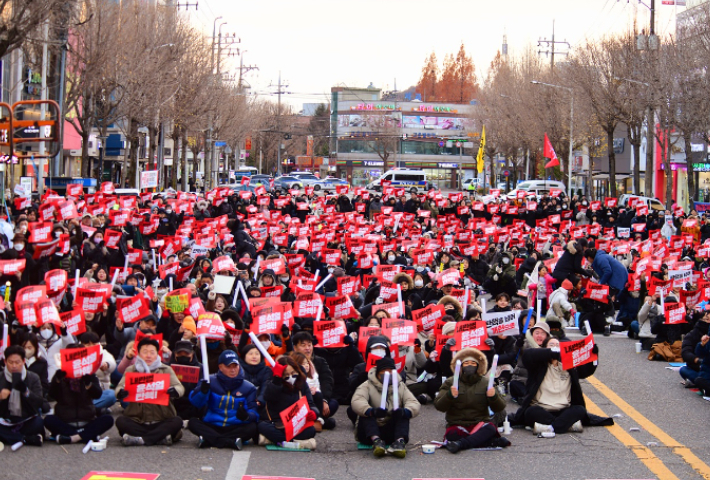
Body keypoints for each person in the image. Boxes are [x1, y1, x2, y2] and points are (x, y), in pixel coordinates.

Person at [513, 336, 605, 436]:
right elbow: (527, 354)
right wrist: (551, 353)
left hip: (563, 409)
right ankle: (566, 426)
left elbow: (585, 372)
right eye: (551, 345)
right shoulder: (537, 366)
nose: (555, 347)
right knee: (530, 412)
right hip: (542, 409)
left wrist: (593, 355)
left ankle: (550, 427)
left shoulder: (569, 367)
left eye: (558, 346)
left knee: (580, 410)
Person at [434, 348, 510, 453]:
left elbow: (500, 407)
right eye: (467, 363)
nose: (470, 365)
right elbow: (439, 406)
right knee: (452, 434)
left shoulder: (486, 382)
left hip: (479, 424)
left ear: (478, 366)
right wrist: (449, 395)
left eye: (473, 363)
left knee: (490, 429)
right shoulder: (450, 382)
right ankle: (487, 442)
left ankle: (460, 444)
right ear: (461, 366)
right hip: (458, 424)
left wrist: (493, 397)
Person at [115, 337, 185, 446]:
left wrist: (174, 391)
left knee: (177, 421)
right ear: (138, 354)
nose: (148, 356)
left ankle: (141, 439)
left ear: (157, 354)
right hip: (138, 421)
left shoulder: (166, 370)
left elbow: (179, 387)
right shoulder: (131, 370)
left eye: (152, 352)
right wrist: (121, 392)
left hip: (161, 420)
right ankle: (159, 438)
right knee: (121, 421)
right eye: (145, 352)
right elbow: (119, 387)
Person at [351, 357, 421, 458]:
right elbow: (357, 401)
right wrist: (372, 411)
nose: (387, 376)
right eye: (384, 373)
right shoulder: (367, 385)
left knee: (403, 415)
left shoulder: (400, 386)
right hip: (369, 432)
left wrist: (405, 411)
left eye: (390, 373)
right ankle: (376, 441)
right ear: (378, 373)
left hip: (390, 430)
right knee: (366, 414)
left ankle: (399, 442)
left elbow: (413, 402)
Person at [43, 344, 114, 444]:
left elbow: (97, 394)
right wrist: (57, 380)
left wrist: (88, 384)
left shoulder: (89, 375)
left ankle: (72, 437)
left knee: (108, 419)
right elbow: (51, 395)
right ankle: (87, 436)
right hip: (65, 421)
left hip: (87, 419)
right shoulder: (60, 375)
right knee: (48, 420)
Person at [188, 350, 259, 449]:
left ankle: (210, 439)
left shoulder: (249, 387)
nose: (233, 370)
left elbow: (254, 412)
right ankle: (229, 442)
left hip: (234, 426)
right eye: (228, 366)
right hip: (212, 424)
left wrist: (246, 416)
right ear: (220, 367)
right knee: (193, 422)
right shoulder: (209, 381)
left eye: (235, 366)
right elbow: (196, 403)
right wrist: (202, 391)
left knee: (252, 428)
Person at [257, 356, 318, 450]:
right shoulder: (273, 383)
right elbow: (268, 396)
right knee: (262, 426)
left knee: (311, 430)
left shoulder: (302, 384)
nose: (290, 377)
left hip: (297, 425)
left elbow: (311, 404)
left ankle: (277, 441)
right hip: (278, 425)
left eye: (293, 373)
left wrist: (313, 412)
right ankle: (296, 442)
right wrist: (277, 380)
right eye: (286, 375)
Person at [0, 345, 45, 449]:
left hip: (25, 419)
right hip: (5, 419)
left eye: (17, 362)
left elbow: (39, 402)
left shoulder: (32, 377)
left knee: (39, 422)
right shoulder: (1, 377)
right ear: (5, 362)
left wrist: (26, 391)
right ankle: (26, 439)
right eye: (11, 362)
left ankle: (11, 437)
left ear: (24, 361)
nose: (14, 366)